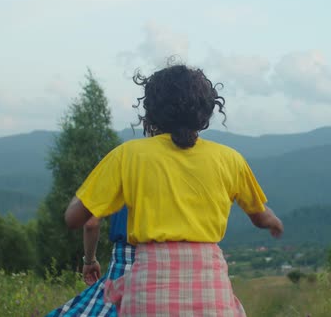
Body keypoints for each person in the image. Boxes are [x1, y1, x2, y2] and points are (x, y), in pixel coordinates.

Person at [64, 63, 284, 316]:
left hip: (148, 292)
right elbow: (260, 216)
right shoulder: (230, 159)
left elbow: (74, 218)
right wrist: (274, 222)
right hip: (210, 291)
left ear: (152, 110)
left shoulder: (127, 155)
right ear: (206, 110)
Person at [47, 207, 135, 317]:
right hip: (161, 266)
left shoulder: (120, 188)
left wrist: (90, 261)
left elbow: (91, 223)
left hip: (121, 265)